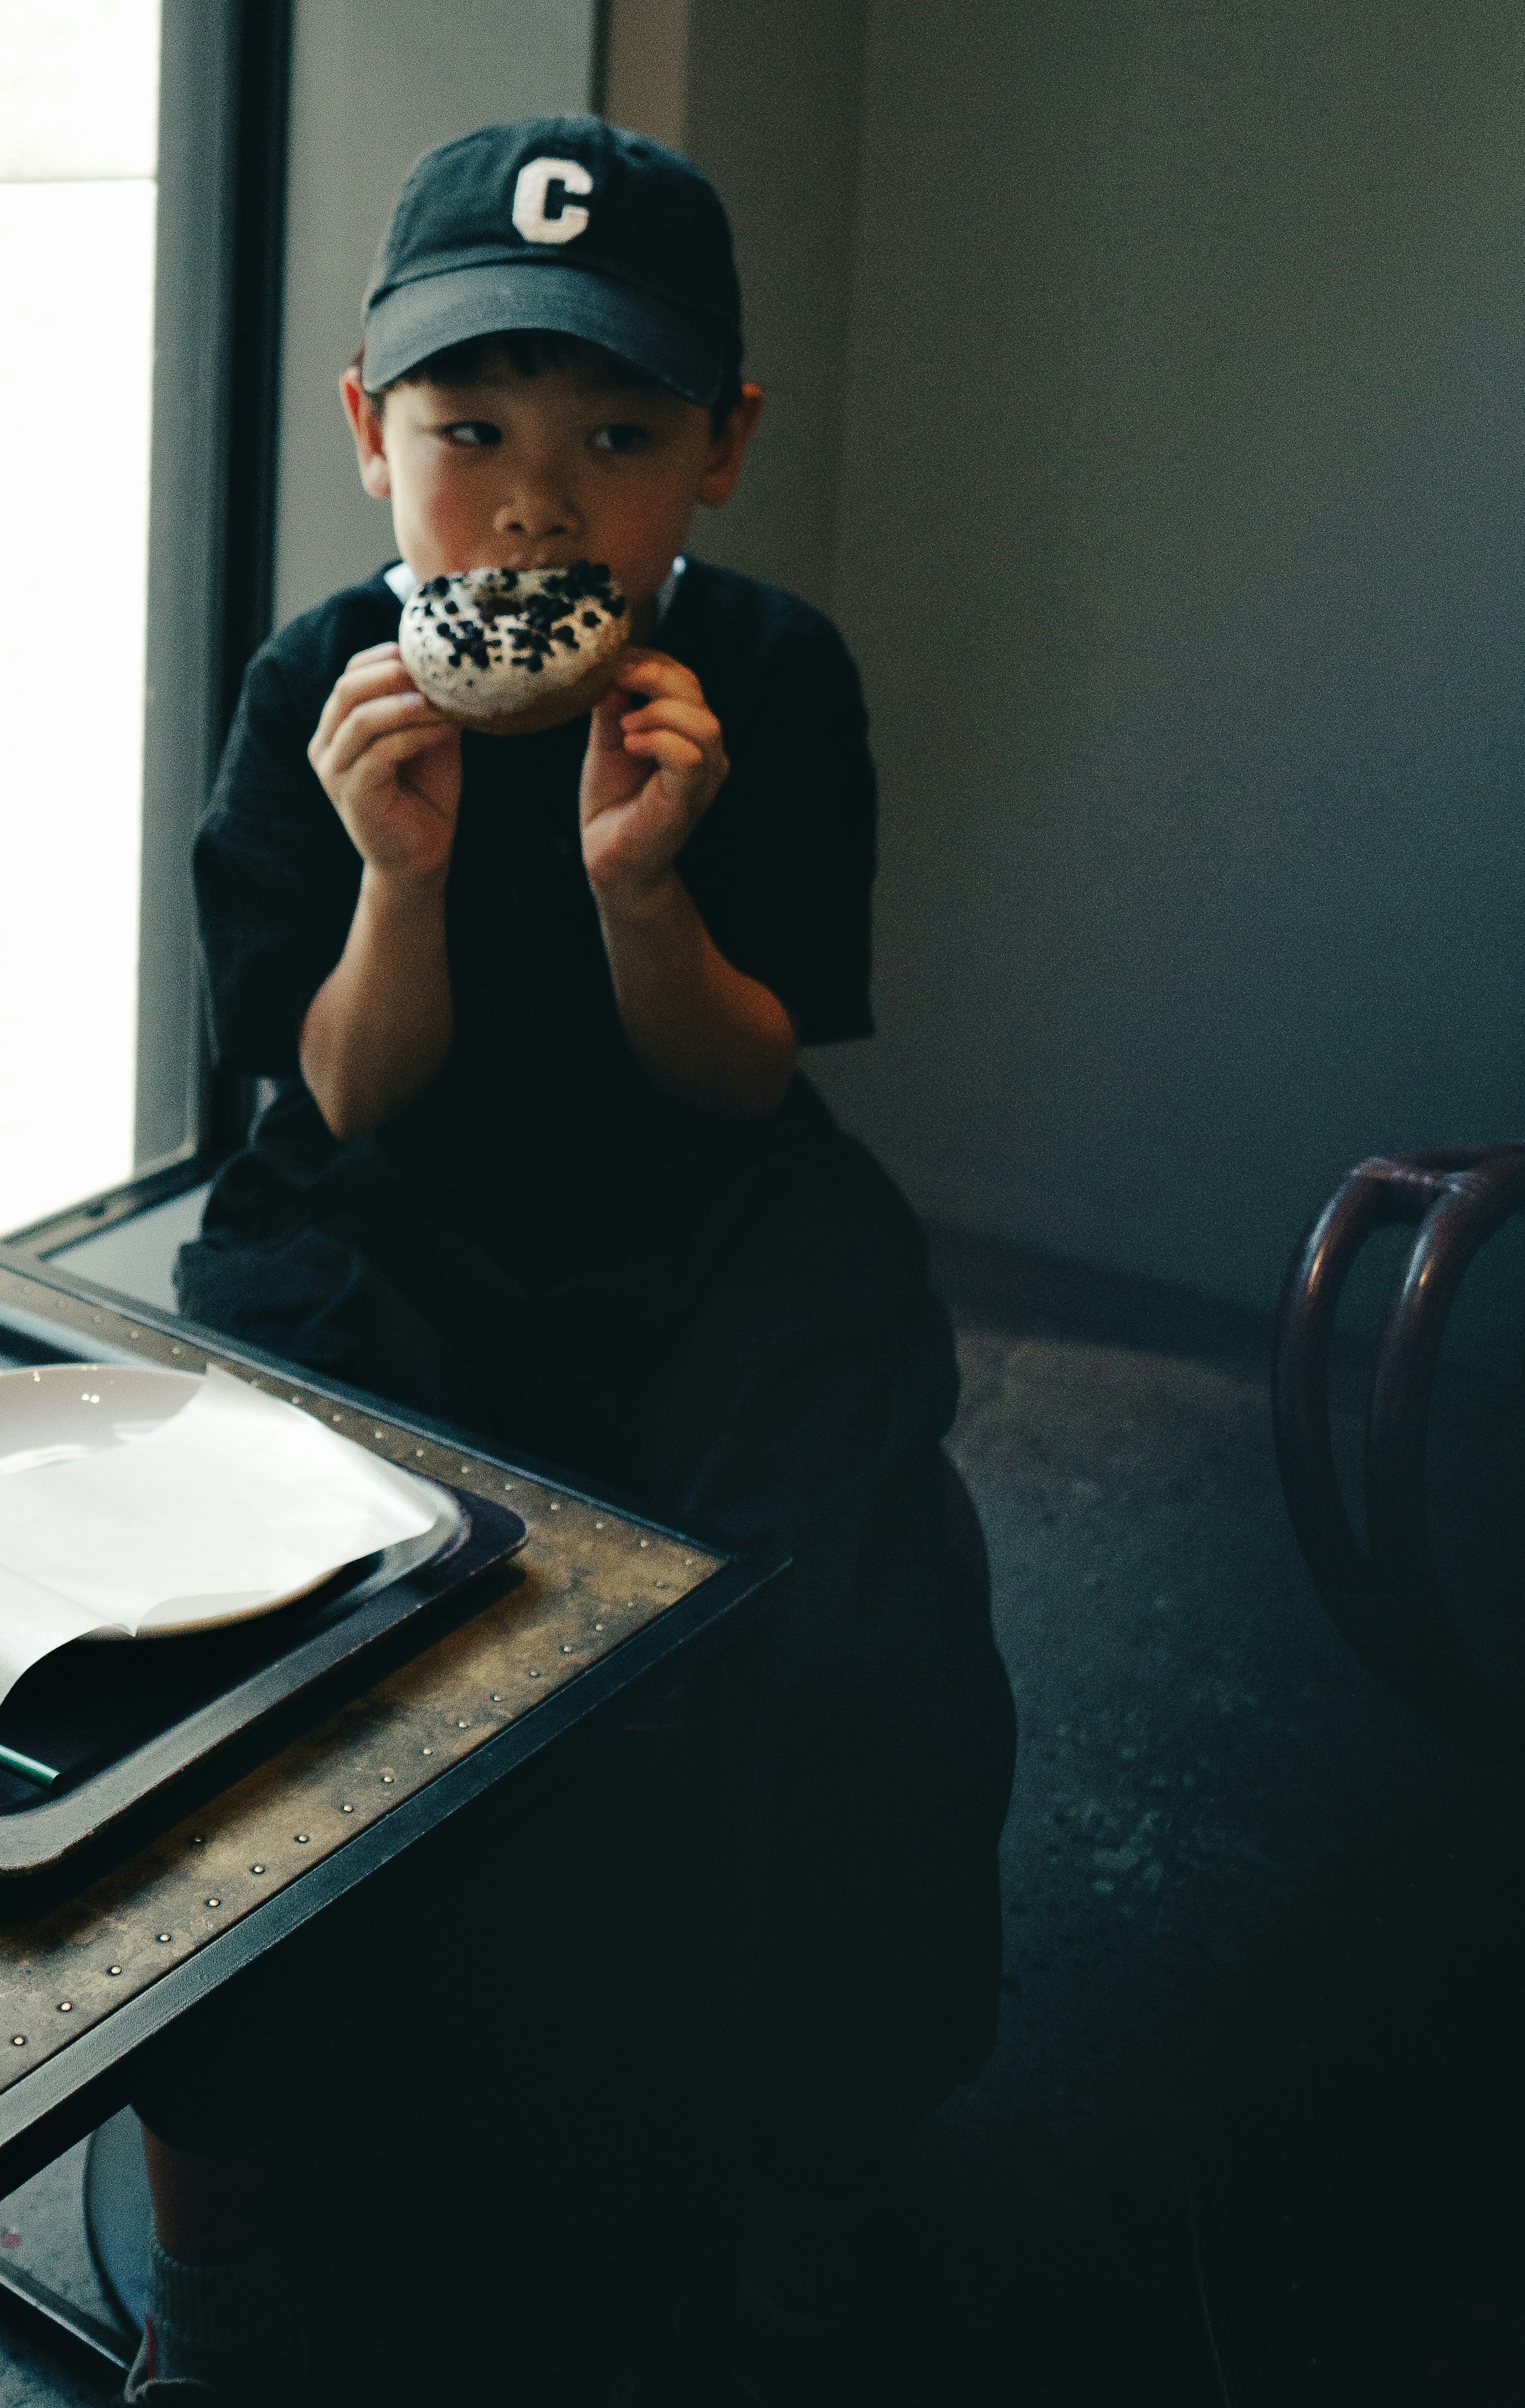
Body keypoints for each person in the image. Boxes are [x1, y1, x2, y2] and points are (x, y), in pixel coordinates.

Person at [121, 118, 1017, 2406]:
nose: (536, 507)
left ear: (719, 451)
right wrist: (399, 881)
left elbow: (742, 1084)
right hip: (387, 1226)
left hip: (707, 1232)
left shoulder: (770, 682)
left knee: (859, 1631)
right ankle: (227, 2263)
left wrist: (642, 885)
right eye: (472, 432)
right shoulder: (321, 688)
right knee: (216, 1669)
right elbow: (341, 1102)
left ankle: (807, 2190)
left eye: (615, 436)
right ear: (368, 435)